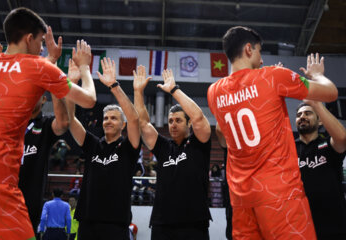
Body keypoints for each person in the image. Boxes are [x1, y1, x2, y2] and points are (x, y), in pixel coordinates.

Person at [207, 26, 338, 239]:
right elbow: (331, 93)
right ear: (249, 49)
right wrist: (317, 75)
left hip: (241, 200)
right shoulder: (273, 76)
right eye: (259, 52)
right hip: (279, 195)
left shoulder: (214, 92)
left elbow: (221, 131)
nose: (261, 59)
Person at [0, 7, 96, 239]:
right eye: (40, 43)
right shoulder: (38, 66)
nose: (42, 49)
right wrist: (85, 68)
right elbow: (89, 100)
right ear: (29, 39)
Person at [133, 65, 212, 240]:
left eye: (178, 120)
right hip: (163, 223)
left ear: (188, 123)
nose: (173, 124)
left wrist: (174, 90)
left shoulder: (198, 144)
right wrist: (138, 92)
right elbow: (144, 123)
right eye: (170, 121)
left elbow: (199, 118)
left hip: (194, 223)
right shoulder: (163, 146)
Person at [66, 57, 141, 239]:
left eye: (114, 118)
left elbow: (134, 119)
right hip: (87, 220)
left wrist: (114, 86)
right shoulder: (93, 143)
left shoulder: (128, 146)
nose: (108, 121)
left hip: (115, 222)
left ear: (122, 125)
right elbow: (70, 120)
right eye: (106, 118)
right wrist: (71, 85)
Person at [18, 93, 69, 238]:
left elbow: (63, 124)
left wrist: (56, 89)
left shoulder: (45, 124)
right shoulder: (12, 122)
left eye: (35, 93)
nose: (30, 96)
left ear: (44, 99)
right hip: (2, 198)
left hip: (29, 203)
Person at [295, 101, 346, 239]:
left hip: (333, 226)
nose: (302, 117)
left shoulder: (328, 144)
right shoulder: (289, 149)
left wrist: (316, 104)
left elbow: (342, 138)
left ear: (320, 122)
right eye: (299, 115)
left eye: (308, 113)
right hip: (300, 225)